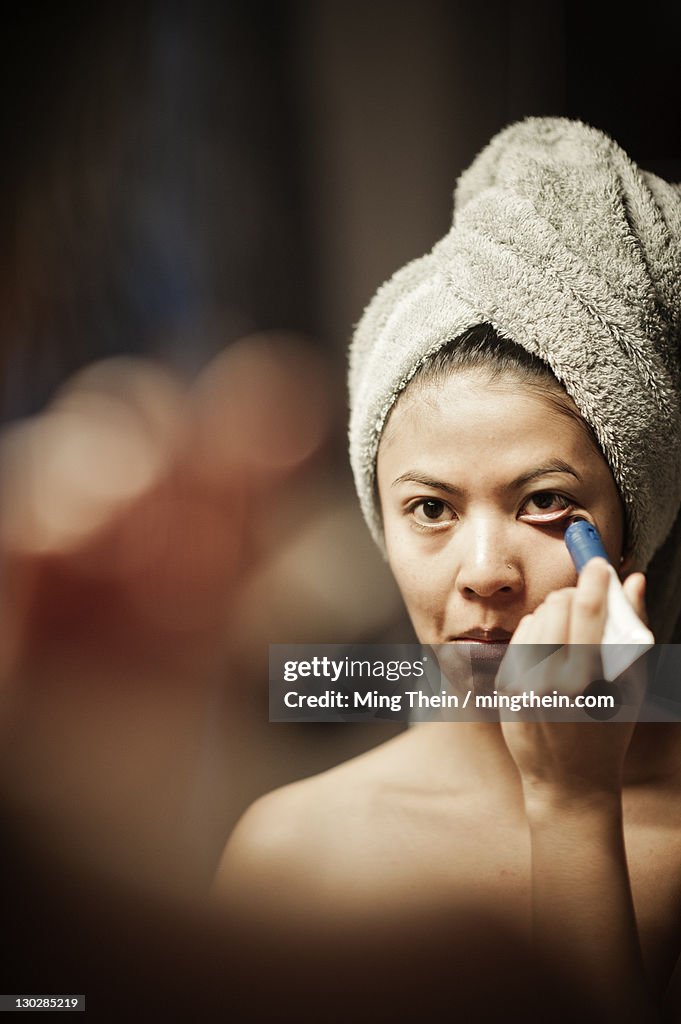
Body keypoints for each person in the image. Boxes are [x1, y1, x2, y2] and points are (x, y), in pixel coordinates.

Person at [215, 118, 681, 1021]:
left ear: (636, 525)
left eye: (545, 502)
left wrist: (572, 804)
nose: (484, 573)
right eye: (430, 509)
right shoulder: (292, 852)